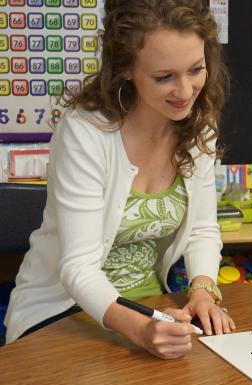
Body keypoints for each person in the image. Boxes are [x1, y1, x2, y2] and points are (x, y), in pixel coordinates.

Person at [4, 0, 235, 359]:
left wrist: (202, 291)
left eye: (196, 69)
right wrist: (141, 330)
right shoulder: (85, 131)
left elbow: (203, 229)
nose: (186, 91)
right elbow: (77, 268)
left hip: (151, 306)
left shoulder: (198, 125)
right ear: (126, 68)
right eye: (164, 77)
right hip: (62, 314)